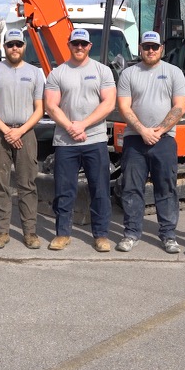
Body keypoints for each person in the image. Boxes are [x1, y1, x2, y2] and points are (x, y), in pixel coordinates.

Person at [43, 28, 116, 252]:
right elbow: (51, 105)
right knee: (64, 189)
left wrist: (82, 125)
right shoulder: (58, 73)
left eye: (84, 44)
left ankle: (101, 235)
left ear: (89, 46)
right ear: (69, 44)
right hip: (66, 143)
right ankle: (63, 234)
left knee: (100, 188)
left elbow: (108, 103)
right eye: (76, 44)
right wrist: (70, 127)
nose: (80, 47)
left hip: (94, 140)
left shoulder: (103, 71)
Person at [116, 31, 185, 254]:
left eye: (154, 47)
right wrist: (142, 130)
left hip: (164, 140)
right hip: (134, 140)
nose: (150, 50)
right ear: (140, 48)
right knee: (131, 188)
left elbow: (179, 107)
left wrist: (159, 130)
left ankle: (168, 235)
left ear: (161, 48)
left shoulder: (174, 73)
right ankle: (131, 233)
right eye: (146, 47)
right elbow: (124, 107)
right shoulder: (128, 74)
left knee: (166, 187)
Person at [0, 29, 45, 249]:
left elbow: (39, 109)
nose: (14, 48)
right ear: (4, 47)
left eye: (18, 44)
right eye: (10, 45)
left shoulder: (35, 73)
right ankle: (2, 232)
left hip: (26, 133)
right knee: (0, 182)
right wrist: (7, 130)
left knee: (27, 183)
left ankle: (30, 232)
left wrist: (20, 130)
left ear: (24, 46)